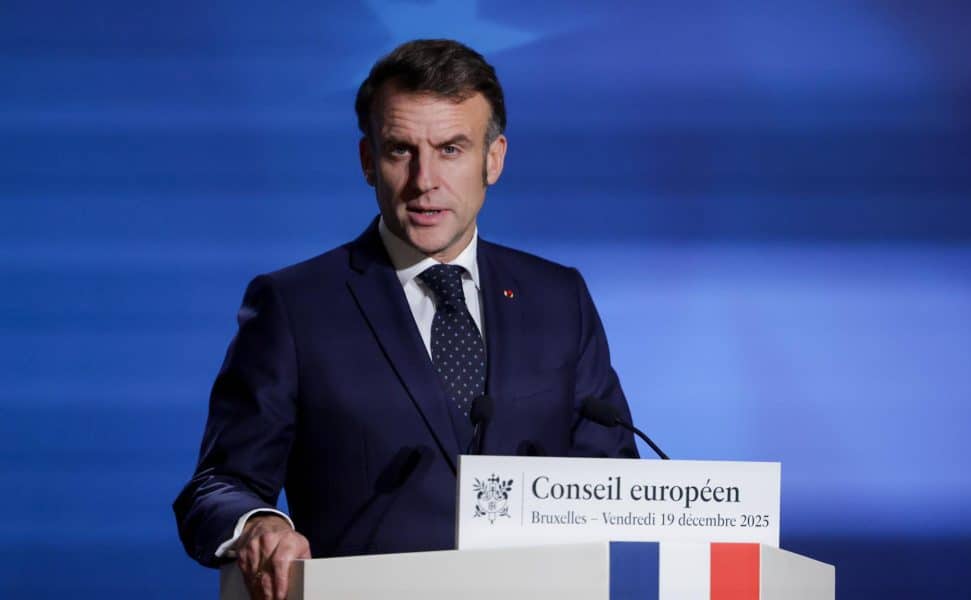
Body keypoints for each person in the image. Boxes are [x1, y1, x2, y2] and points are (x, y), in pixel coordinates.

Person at [173, 39, 638, 600]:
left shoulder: (558, 298)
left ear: (493, 159)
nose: (424, 180)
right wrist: (259, 525)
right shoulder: (295, 306)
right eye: (400, 151)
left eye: (450, 149)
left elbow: (614, 477)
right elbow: (218, 485)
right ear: (368, 161)